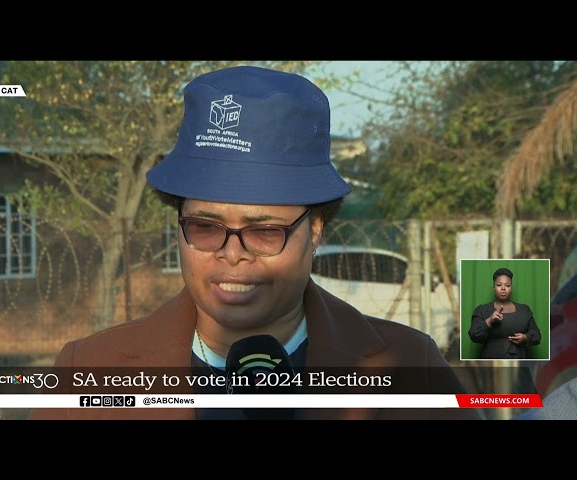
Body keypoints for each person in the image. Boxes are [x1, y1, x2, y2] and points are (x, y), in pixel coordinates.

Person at [28, 65, 479, 420]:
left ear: (316, 227)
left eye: (265, 231)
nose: (231, 253)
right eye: (205, 226)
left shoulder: (407, 368)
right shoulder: (87, 372)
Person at [468, 267, 542, 359]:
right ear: (494, 287)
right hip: (491, 361)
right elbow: (474, 335)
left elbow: (537, 335)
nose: (503, 288)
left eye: (507, 285)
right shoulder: (482, 310)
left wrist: (525, 337)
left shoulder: (524, 310)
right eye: (499, 285)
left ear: (511, 287)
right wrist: (490, 320)